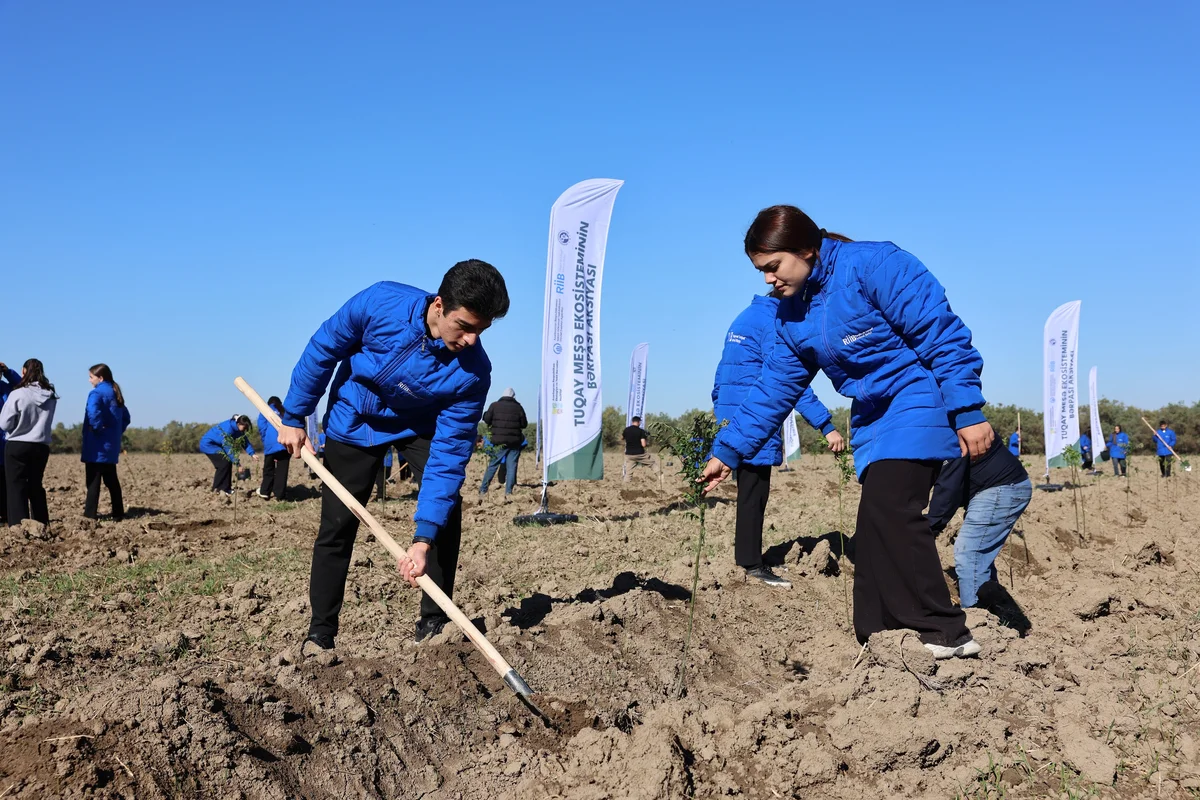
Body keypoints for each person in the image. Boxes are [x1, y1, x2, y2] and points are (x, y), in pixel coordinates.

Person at [700, 205, 991, 660]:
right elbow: (773, 388)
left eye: (773, 267)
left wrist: (967, 410)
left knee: (892, 509)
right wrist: (728, 451)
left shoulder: (874, 265)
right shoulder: (790, 315)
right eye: (760, 271)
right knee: (872, 526)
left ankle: (946, 632)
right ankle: (877, 635)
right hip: (873, 414)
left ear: (805, 248)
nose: (767, 280)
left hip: (917, 394)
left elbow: (941, 334)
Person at [274, 260, 510, 655]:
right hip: (356, 417)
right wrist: (295, 415)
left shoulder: (473, 372)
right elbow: (323, 349)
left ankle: (434, 624)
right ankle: (320, 634)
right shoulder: (380, 303)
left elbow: (450, 453)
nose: (471, 340)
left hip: (420, 424)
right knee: (337, 524)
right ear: (439, 306)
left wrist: (423, 538)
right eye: (465, 327)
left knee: (446, 515)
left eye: (481, 331)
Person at [713, 291, 846, 588]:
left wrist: (721, 411)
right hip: (754, 417)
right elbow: (788, 381)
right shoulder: (773, 322)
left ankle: (747, 559)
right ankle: (750, 564)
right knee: (754, 494)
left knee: (749, 490)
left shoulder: (743, 318)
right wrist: (825, 425)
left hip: (734, 415)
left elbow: (722, 372)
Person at [927, 433, 1032, 608]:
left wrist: (931, 527)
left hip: (1001, 486)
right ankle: (996, 611)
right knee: (979, 557)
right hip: (995, 486)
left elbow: (949, 488)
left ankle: (978, 620)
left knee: (970, 553)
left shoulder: (948, 433)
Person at [0, 359, 58, 525]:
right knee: (36, 486)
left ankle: (19, 525)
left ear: (24, 372)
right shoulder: (50, 395)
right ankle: (41, 522)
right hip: (41, 445)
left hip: (17, 444)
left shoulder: (17, 394)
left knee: (16, 487)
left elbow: (4, 423)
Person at [82, 364, 131, 520]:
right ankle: (118, 513)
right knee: (112, 481)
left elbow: (92, 411)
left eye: (91, 377)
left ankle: (90, 515)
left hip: (96, 446)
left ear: (100, 378)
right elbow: (126, 418)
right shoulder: (116, 394)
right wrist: (115, 432)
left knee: (93, 481)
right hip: (110, 446)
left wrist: (97, 429)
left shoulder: (96, 393)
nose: (89, 380)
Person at [479, 388, 527, 496]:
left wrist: (486, 414)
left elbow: (487, 419)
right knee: (511, 467)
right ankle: (508, 492)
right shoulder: (519, 407)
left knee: (493, 465)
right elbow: (524, 424)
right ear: (513, 397)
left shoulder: (494, 405)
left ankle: (483, 490)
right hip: (514, 443)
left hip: (498, 442)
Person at [199, 416, 257, 494]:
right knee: (223, 464)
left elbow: (244, 441)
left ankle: (226, 488)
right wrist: (238, 464)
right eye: (244, 427)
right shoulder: (228, 429)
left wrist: (252, 454)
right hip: (209, 445)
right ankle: (216, 489)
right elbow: (228, 448)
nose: (245, 429)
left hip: (218, 445)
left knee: (227, 462)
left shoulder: (238, 429)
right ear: (239, 424)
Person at [0, 361, 22, 525]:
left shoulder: (7, 388)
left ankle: (5, 514)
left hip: (5, 440)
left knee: (5, 480)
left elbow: (22, 385)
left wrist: (8, 372)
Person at [256, 397, 289, 501]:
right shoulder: (284, 411)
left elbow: (262, 427)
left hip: (270, 444)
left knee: (268, 469)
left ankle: (265, 492)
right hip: (284, 444)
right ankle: (280, 495)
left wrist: (265, 440)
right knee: (282, 471)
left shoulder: (265, 410)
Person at [622, 416, 659, 482]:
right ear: (639, 422)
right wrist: (648, 442)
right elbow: (643, 444)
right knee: (652, 464)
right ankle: (661, 478)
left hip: (629, 454)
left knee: (628, 473)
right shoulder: (641, 431)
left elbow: (622, 438)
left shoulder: (626, 430)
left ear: (632, 421)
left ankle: (626, 487)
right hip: (640, 454)